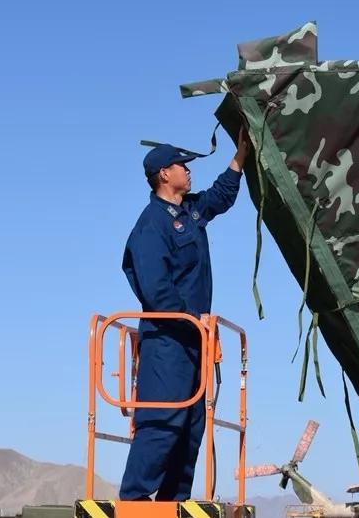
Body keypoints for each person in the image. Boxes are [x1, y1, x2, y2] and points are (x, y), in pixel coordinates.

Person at [119, 129, 249, 501]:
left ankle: (173, 504)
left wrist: (239, 158)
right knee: (162, 423)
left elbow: (220, 198)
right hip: (167, 342)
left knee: (192, 427)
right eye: (182, 166)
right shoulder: (151, 224)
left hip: (195, 343)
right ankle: (134, 503)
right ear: (164, 173)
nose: (188, 171)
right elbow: (156, 288)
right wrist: (189, 320)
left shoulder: (189, 211)